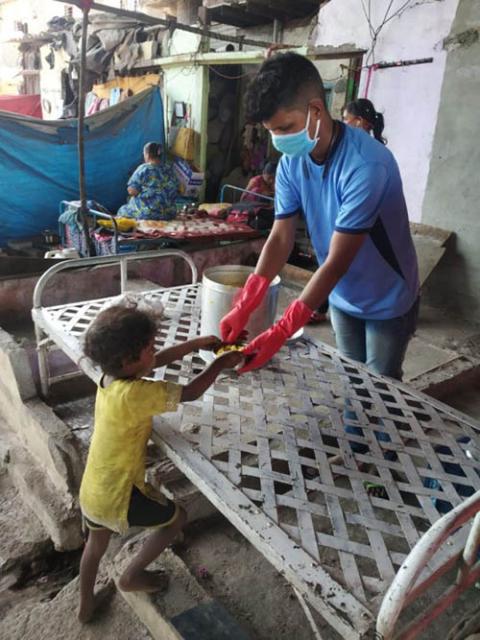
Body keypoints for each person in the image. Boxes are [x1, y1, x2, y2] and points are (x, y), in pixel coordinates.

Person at [220, 51, 419, 383]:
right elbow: (281, 237)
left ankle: (380, 437)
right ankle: (355, 433)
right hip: (341, 294)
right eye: (272, 131)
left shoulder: (366, 166)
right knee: (350, 378)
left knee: (382, 387)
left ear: (316, 109)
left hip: (385, 295)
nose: (279, 140)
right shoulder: (291, 162)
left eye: (285, 127)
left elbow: (337, 261)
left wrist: (282, 329)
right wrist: (247, 299)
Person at [78, 304, 244, 623]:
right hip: (121, 494)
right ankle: (132, 576)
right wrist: (221, 363)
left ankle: (85, 606)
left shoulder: (109, 378)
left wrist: (195, 345)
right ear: (129, 359)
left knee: (94, 547)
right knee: (175, 519)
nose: (155, 353)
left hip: (93, 488)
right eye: (150, 348)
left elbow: (155, 362)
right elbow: (192, 392)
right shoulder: (137, 393)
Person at [118, 142, 179, 221]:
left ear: (147, 154)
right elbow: (176, 188)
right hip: (169, 213)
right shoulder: (169, 169)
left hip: (148, 213)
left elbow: (132, 191)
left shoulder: (144, 168)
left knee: (122, 210)